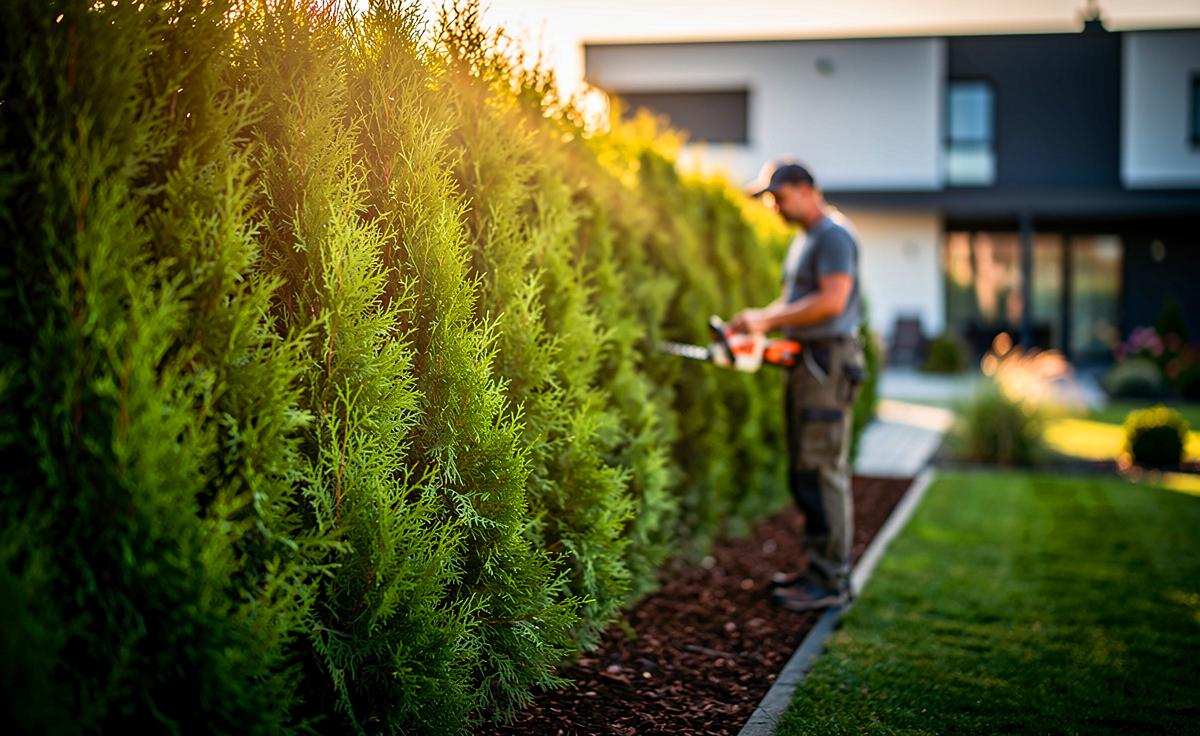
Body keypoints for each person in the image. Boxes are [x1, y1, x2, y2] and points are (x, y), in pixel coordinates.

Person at [730, 161, 865, 612]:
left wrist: (767, 320)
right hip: (808, 363)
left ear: (806, 190)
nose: (774, 208)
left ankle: (832, 581)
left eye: (779, 198)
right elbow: (795, 306)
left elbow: (832, 301)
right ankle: (818, 572)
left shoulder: (834, 236)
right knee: (805, 470)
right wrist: (758, 327)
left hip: (828, 365)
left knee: (823, 469)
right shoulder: (806, 240)